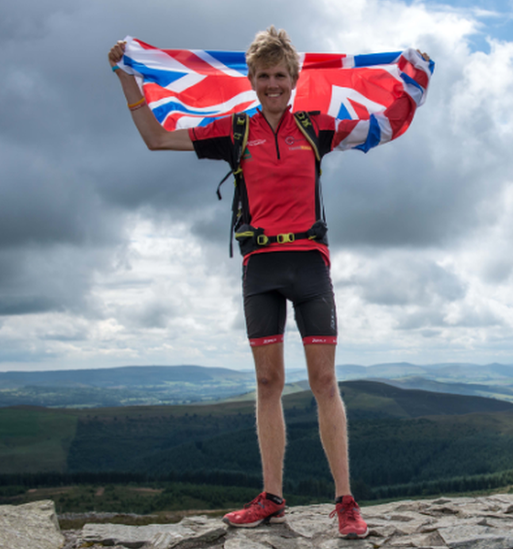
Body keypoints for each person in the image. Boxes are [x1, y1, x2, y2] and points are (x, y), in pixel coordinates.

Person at [107, 27, 429, 540]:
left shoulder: (315, 126)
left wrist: (413, 78)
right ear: (251, 80)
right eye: (263, 77)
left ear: (295, 79)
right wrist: (127, 78)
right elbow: (157, 137)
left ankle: (346, 501)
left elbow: (381, 127)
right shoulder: (235, 130)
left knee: (324, 383)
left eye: (281, 76)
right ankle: (272, 497)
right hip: (260, 265)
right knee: (267, 384)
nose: (272, 84)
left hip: (309, 263)